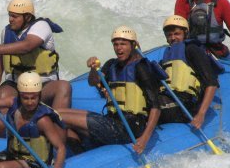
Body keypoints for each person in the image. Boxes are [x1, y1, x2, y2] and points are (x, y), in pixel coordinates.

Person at [58, 26, 163, 154]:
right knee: (57, 112)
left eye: (123, 44)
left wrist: (144, 139)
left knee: (59, 116)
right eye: (116, 44)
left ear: (133, 45)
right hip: (112, 120)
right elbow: (93, 82)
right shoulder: (111, 64)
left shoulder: (141, 68)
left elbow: (156, 107)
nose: (119, 48)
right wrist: (93, 69)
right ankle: (79, 152)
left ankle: (74, 152)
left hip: (130, 127)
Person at [0, 0, 72, 123]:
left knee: (63, 86)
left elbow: (27, 46)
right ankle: (11, 129)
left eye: (15, 16)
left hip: (44, 84)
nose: (10, 19)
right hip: (16, 84)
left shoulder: (41, 26)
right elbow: (2, 53)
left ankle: (58, 125)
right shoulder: (6, 31)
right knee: (3, 93)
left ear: (28, 18)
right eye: (10, 15)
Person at [0, 71, 66, 168]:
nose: (29, 102)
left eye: (33, 98)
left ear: (39, 95)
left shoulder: (42, 120)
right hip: (13, 155)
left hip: (33, 163)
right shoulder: (14, 102)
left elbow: (61, 147)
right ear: (19, 95)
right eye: (25, 98)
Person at [158, 15, 222, 129]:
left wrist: (201, 114)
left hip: (186, 105)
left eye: (177, 34)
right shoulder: (166, 57)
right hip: (171, 100)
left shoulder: (192, 50)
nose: (173, 38)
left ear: (185, 34)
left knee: (151, 108)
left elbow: (212, 83)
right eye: (169, 35)